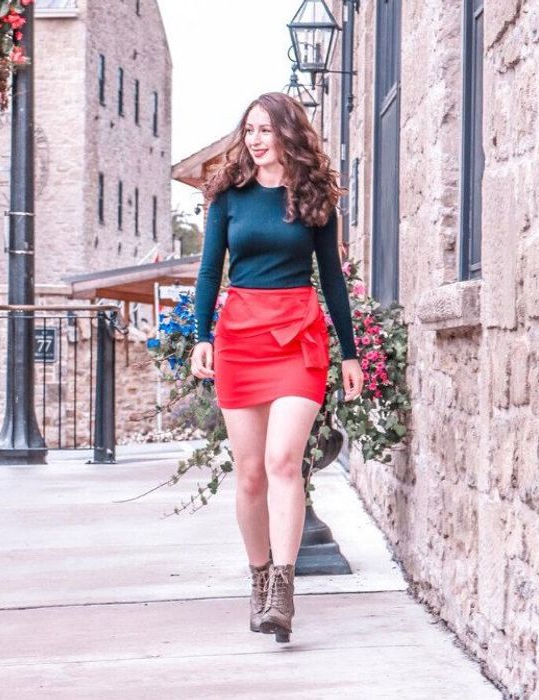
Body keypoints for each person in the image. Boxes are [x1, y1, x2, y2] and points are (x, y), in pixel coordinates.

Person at [188, 93, 363, 645]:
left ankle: (284, 593)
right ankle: (259, 579)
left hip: (298, 337)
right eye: (250, 129)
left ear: (289, 134)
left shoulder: (314, 196)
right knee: (250, 473)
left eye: (266, 129)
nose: (257, 139)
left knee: (284, 461)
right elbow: (209, 271)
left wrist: (351, 352)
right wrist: (200, 337)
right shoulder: (228, 196)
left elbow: (331, 278)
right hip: (240, 338)